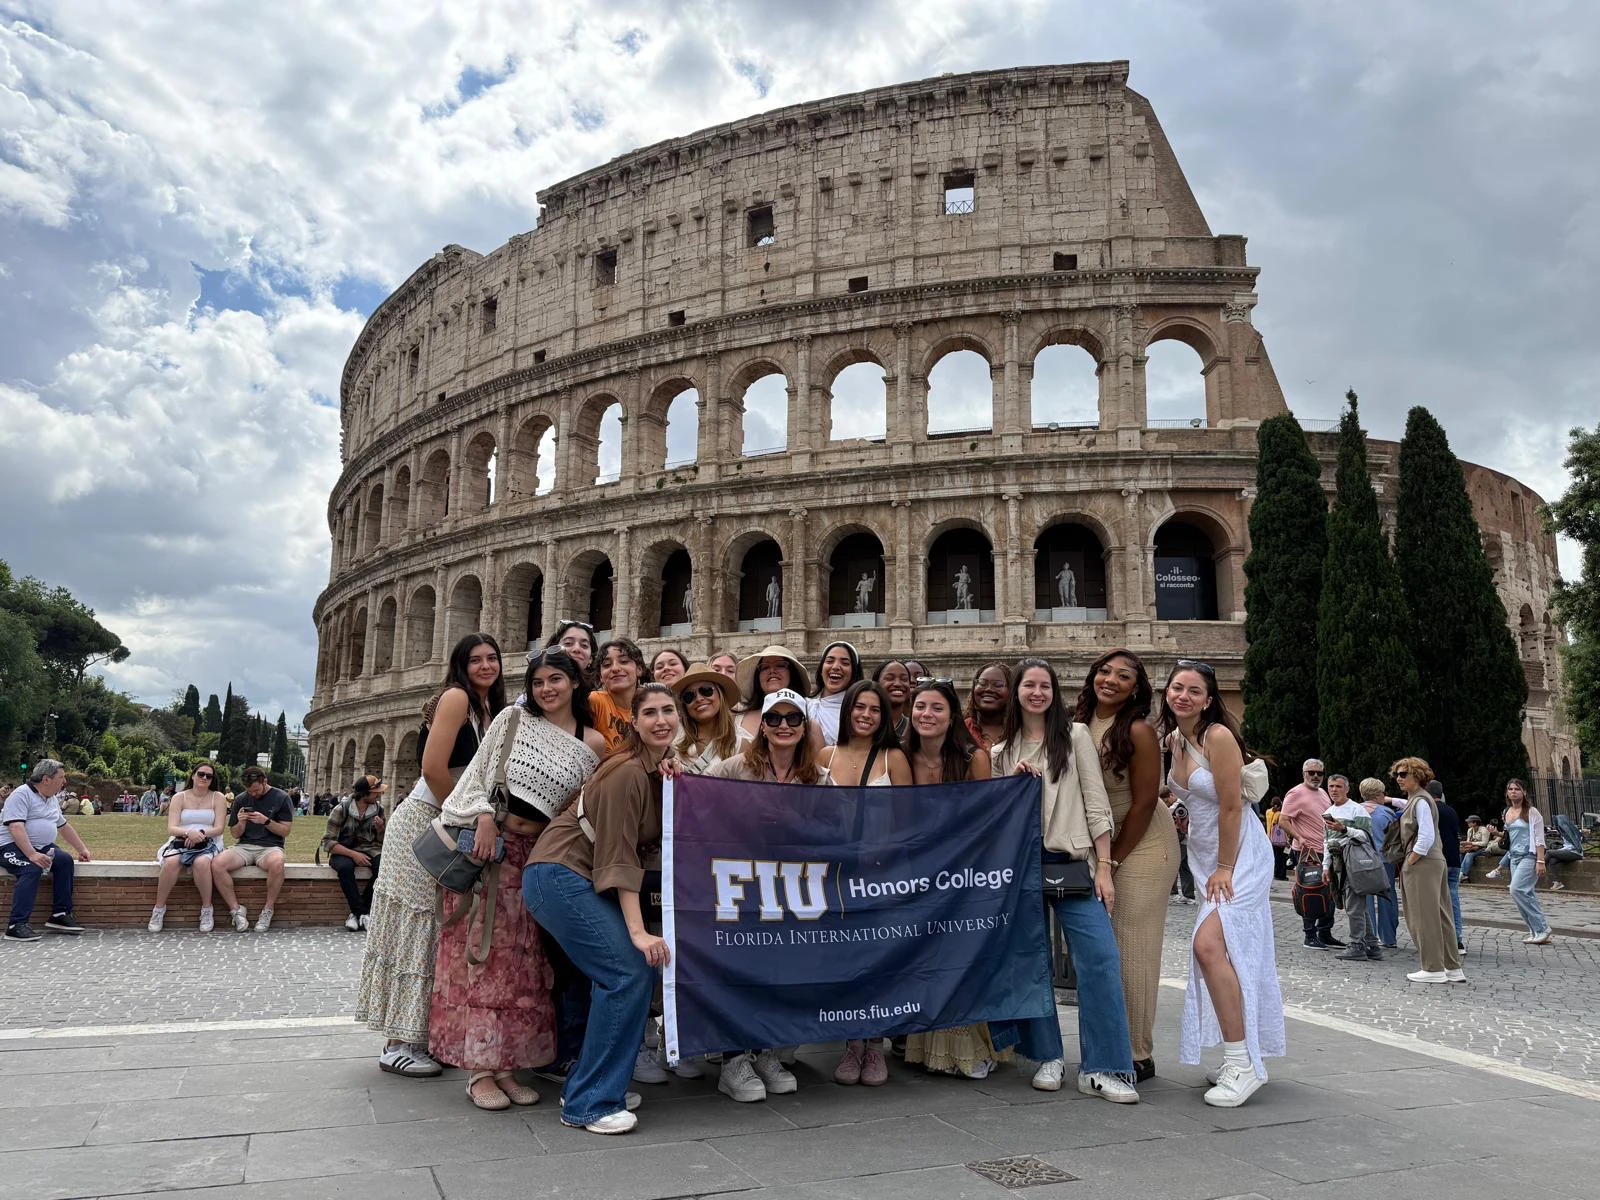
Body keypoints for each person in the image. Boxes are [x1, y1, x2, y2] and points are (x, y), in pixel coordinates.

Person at [435, 647, 605, 1111]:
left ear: (575, 682)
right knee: (483, 955)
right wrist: (485, 817)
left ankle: (507, 1065)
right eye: (537, 682)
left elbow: (582, 812)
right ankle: (479, 1071)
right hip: (493, 848)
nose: (546, 689)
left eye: (555, 679)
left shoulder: (592, 744)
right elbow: (477, 776)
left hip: (542, 856)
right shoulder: (511, 720)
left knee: (525, 964)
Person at [524, 684, 681, 1135]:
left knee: (628, 973)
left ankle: (596, 1082)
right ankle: (589, 1102)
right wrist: (637, 932)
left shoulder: (649, 769)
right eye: (649, 712)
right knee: (629, 970)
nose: (660, 720)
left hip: (569, 877)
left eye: (668, 711)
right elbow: (619, 858)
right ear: (633, 721)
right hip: (558, 876)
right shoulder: (627, 772)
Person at [358, 633, 505, 1078]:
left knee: (437, 927)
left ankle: (418, 1033)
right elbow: (432, 768)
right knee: (416, 924)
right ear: (460, 666)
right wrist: (466, 814)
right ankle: (396, 1043)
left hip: (445, 816)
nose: (485, 665)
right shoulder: (457, 697)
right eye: (475, 659)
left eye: (492, 658)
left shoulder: (489, 710)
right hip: (426, 817)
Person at [993, 658, 1138, 1103]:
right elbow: (996, 818)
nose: (1037, 693)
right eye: (1029, 685)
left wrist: (1105, 866)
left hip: (1071, 857)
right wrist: (1011, 785)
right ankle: (1046, 1055)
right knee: (1030, 960)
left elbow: (1097, 804)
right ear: (1017, 692)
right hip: (1021, 865)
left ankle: (1105, 1065)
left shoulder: (1074, 738)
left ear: (1055, 692)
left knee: (1099, 957)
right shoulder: (1003, 752)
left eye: (1045, 686)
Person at [1159, 661, 1285, 1107]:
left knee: (1209, 946)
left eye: (1195, 691)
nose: (1184, 696)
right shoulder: (1174, 739)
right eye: (1178, 687)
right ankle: (1241, 1053)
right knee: (1224, 951)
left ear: (1209, 700)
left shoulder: (1217, 736)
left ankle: (1243, 1062)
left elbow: (1232, 807)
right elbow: (1179, 796)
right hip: (1206, 856)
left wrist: (1226, 867)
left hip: (1239, 856)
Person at [706, 687, 826, 1101]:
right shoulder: (734, 768)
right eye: (775, 718)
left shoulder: (818, 776)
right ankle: (733, 1059)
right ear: (763, 726)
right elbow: (696, 801)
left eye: (794, 719)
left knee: (781, 974)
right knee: (740, 973)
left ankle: (768, 1051)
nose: (784, 726)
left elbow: (834, 827)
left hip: (791, 889)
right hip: (742, 887)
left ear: (805, 725)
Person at [1074, 649, 1176, 1085]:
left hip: (1143, 842)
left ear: (1137, 688)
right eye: (1105, 671)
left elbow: (1144, 801)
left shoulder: (1138, 730)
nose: (1111, 679)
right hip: (1103, 843)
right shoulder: (1079, 723)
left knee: (1132, 944)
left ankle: (1137, 1052)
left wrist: (1111, 859)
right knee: (1106, 949)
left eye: (1124, 675)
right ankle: (1113, 1041)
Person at [902, 679, 1005, 1079]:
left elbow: (985, 820)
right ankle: (929, 1046)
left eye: (937, 708)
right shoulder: (902, 756)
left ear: (952, 716)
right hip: (916, 870)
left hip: (962, 869)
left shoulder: (972, 757)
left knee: (958, 957)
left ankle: (968, 1045)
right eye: (920, 707)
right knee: (928, 957)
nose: (927, 715)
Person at [814, 678, 910, 1088]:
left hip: (880, 875)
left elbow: (908, 822)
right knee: (846, 962)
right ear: (847, 710)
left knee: (879, 963)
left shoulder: (894, 758)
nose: (866, 715)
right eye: (859, 707)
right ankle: (851, 1042)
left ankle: (874, 1045)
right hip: (834, 876)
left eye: (874, 709)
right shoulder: (824, 754)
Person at [1389, 758, 1465, 982]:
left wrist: (1410, 861)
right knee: (1441, 914)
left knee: (1424, 916)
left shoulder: (1420, 801)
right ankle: (1452, 967)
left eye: (1404, 774)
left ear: (1418, 775)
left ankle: (1432, 968)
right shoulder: (1419, 799)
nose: (1399, 779)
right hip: (1432, 861)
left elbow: (1426, 835)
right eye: (1397, 775)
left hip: (1422, 862)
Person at [2, 760, 90, 941]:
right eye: (61, 777)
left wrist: (82, 849)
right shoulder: (21, 795)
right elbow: (16, 827)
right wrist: (32, 855)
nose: (64, 781)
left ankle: (60, 914)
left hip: (40, 847)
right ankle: (16, 925)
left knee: (64, 860)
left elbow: (63, 826)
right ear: (46, 779)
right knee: (30, 868)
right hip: (9, 847)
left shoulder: (51, 799)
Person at [211, 765, 293, 933]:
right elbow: (234, 834)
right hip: (244, 846)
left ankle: (268, 910)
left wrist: (266, 821)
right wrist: (241, 822)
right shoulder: (241, 799)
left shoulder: (282, 797)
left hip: (271, 846)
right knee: (217, 864)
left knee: (278, 863)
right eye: (250, 791)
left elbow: (285, 831)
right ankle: (236, 910)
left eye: (256, 790)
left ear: (265, 782)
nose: (253, 794)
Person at [147, 762, 228, 932]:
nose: (204, 778)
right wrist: (188, 833)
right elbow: (172, 827)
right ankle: (158, 909)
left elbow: (219, 828)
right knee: (171, 863)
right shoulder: (179, 797)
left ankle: (207, 909)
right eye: (201, 774)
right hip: (181, 838)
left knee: (202, 863)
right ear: (193, 775)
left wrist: (200, 834)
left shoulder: (218, 797)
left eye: (209, 776)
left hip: (209, 840)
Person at [1281, 759, 1339, 949]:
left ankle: (1325, 933)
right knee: (1309, 890)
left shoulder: (1322, 792)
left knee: (1329, 893)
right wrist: (1299, 837)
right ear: (1303, 772)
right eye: (1311, 772)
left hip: (1326, 850)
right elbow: (1283, 820)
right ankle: (1309, 935)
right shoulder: (1295, 793)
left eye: (1319, 773)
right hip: (1308, 852)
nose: (1315, 776)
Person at [1321, 775, 1378, 962]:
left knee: (1354, 905)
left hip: (1355, 861)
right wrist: (1325, 866)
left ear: (1347, 789)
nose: (1334, 790)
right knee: (1358, 904)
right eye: (1331, 786)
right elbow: (1327, 841)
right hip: (1338, 862)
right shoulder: (1329, 811)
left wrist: (1344, 828)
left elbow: (1366, 836)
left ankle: (1357, 945)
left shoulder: (1357, 809)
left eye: (1338, 786)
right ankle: (1371, 944)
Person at [323, 775, 387, 932]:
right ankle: (362, 913)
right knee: (345, 868)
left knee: (384, 867)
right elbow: (329, 842)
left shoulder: (379, 809)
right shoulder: (340, 810)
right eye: (375, 792)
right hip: (343, 849)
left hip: (370, 849)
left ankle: (357, 913)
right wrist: (354, 855)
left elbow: (381, 842)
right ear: (364, 794)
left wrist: (381, 830)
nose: (379, 795)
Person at [1495, 778, 1552, 945]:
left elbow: (1540, 838)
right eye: (1510, 789)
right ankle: (1534, 930)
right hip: (1514, 856)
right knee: (1526, 892)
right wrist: (1497, 834)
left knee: (1516, 889)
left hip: (1529, 855)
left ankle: (1542, 928)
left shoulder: (1532, 812)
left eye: (1517, 789)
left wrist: (1540, 860)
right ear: (1507, 792)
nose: (1513, 791)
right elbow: (1509, 836)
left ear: (1524, 792)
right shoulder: (1507, 812)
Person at [672, 664, 743, 774]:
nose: (699, 699)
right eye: (689, 696)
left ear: (720, 695)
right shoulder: (673, 741)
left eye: (706, 690)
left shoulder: (741, 743)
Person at [733, 645, 811, 741]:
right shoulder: (736, 715)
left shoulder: (810, 715)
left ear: (792, 673)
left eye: (780, 665)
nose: (772, 671)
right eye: (765, 667)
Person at [1427, 780, 1465, 950]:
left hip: (1437, 860)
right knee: (1453, 899)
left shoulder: (1429, 810)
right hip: (1454, 860)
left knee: (1435, 901)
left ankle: (1440, 939)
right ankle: (1457, 938)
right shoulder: (1450, 810)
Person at [590, 638, 648, 748]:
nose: (615, 668)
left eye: (624, 661)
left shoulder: (649, 707)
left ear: (639, 669)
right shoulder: (595, 701)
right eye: (607, 664)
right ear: (600, 676)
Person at [809, 640, 863, 746]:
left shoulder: (859, 713)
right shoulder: (803, 705)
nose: (835, 667)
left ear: (854, 672)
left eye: (845, 663)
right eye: (829, 661)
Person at [965, 661, 1010, 751]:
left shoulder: (1022, 732)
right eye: (982, 683)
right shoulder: (959, 731)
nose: (989, 689)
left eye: (998, 685)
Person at [545, 619, 601, 684]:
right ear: (553, 649)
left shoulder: (603, 692)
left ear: (590, 658)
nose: (577, 649)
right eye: (568, 643)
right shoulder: (539, 687)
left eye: (584, 645)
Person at [872, 659, 914, 741]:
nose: (897, 684)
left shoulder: (915, 728)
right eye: (889, 678)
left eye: (904, 679)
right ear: (876, 684)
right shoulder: (866, 724)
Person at [1460, 815, 1491, 880]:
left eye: (1469, 822)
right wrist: (1465, 846)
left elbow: (1485, 843)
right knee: (1461, 853)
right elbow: (1468, 841)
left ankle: (1463, 874)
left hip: (1483, 849)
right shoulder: (1470, 830)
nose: (1468, 823)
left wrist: (1471, 843)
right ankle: (1459, 872)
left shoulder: (1484, 830)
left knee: (1469, 854)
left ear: (1475, 823)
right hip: (1473, 848)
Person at [1264, 797, 1288, 880]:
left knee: (1274, 856)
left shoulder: (1268, 812)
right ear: (1278, 806)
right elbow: (1283, 827)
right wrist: (1288, 839)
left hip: (1269, 837)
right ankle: (1280, 874)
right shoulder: (1279, 814)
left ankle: (1275, 873)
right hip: (1279, 839)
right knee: (1281, 857)